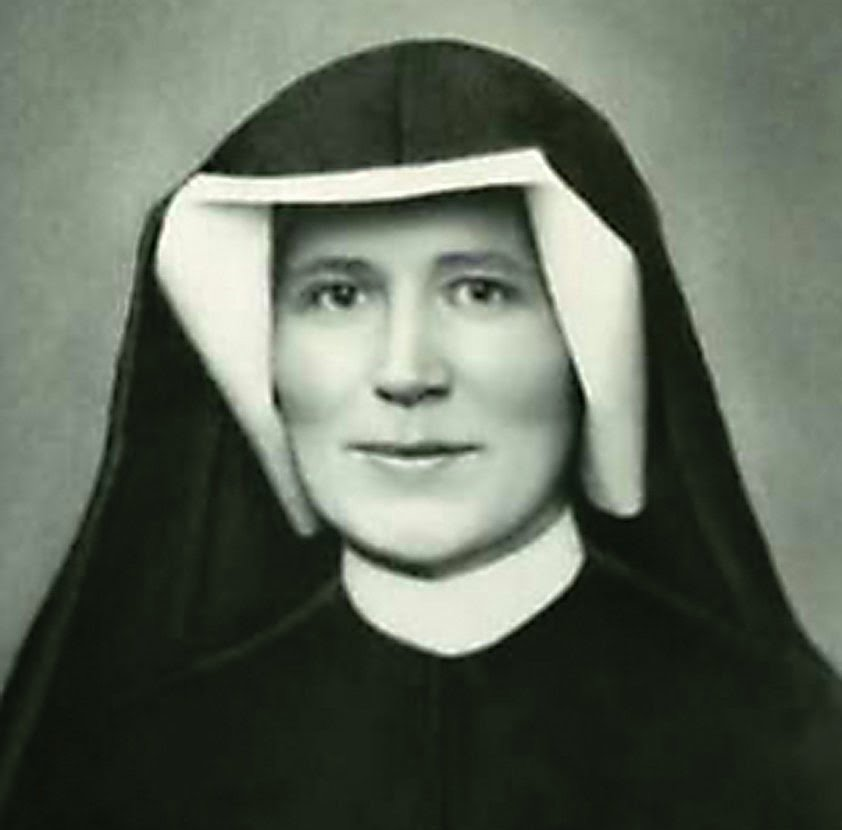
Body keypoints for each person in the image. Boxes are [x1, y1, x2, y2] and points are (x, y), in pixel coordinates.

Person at [1, 39, 840, 829]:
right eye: (338, 295)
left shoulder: (787, 759)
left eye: (480, 291)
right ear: (265, 355)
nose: (407, 373)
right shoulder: (129, 776)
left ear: (587, 344)